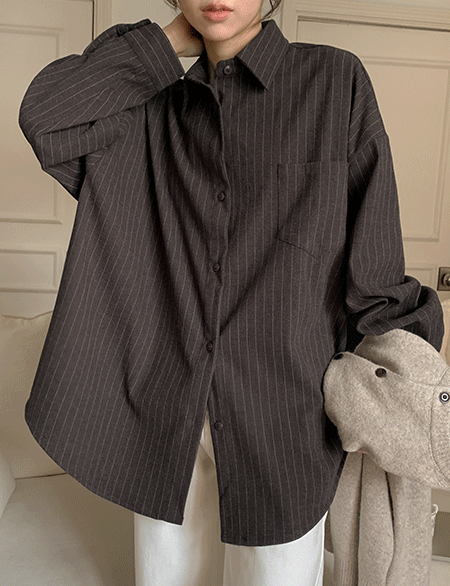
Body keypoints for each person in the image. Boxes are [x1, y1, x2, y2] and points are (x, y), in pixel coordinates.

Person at [18, 1, 444, 585]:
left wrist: (409, 383)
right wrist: (170, 40)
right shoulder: (145, 105)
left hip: (285, 419)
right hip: (165, 411)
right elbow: (45, 117)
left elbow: (373, 259)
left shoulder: (333, 82)